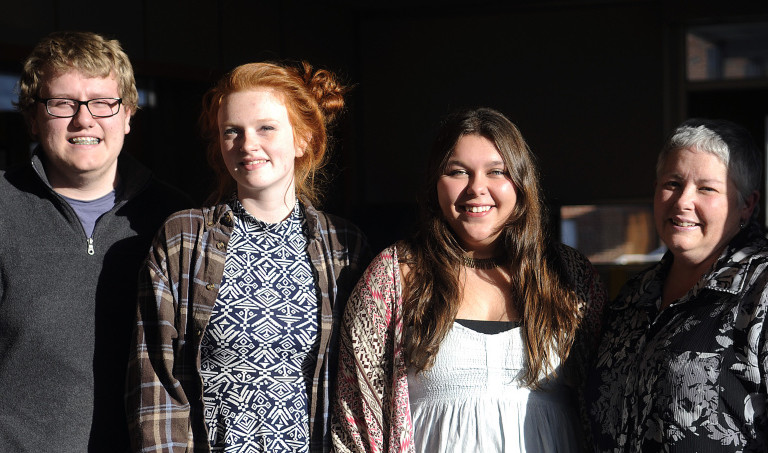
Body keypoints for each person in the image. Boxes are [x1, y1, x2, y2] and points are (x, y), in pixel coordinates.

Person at [126, 61, 371, 453]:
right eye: (232, 131)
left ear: (303, 138)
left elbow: (362, 382)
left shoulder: (344, 246)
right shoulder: (184, 239)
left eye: (266, 128)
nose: (247, 144)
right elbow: (155, 377)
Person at [332, 107, 606, 452]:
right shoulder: (394, 275)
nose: (477, 188)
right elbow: (356, 416)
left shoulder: (569, 275)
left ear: (522, 182)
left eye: (497, 172)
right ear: (435, 184)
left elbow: (606, 401)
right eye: (458, 171)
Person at [0, 31, 192, 452]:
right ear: (33, 117)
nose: (84, 119)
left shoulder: (178, 221)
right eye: (62, 103)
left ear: (128, 115)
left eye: (103, 102)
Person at [586, 118, 768, 451]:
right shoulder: (634, 296)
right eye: (673, 183)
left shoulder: (761, 293)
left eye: (707, 188)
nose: (683, 201)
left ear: (747, 203)